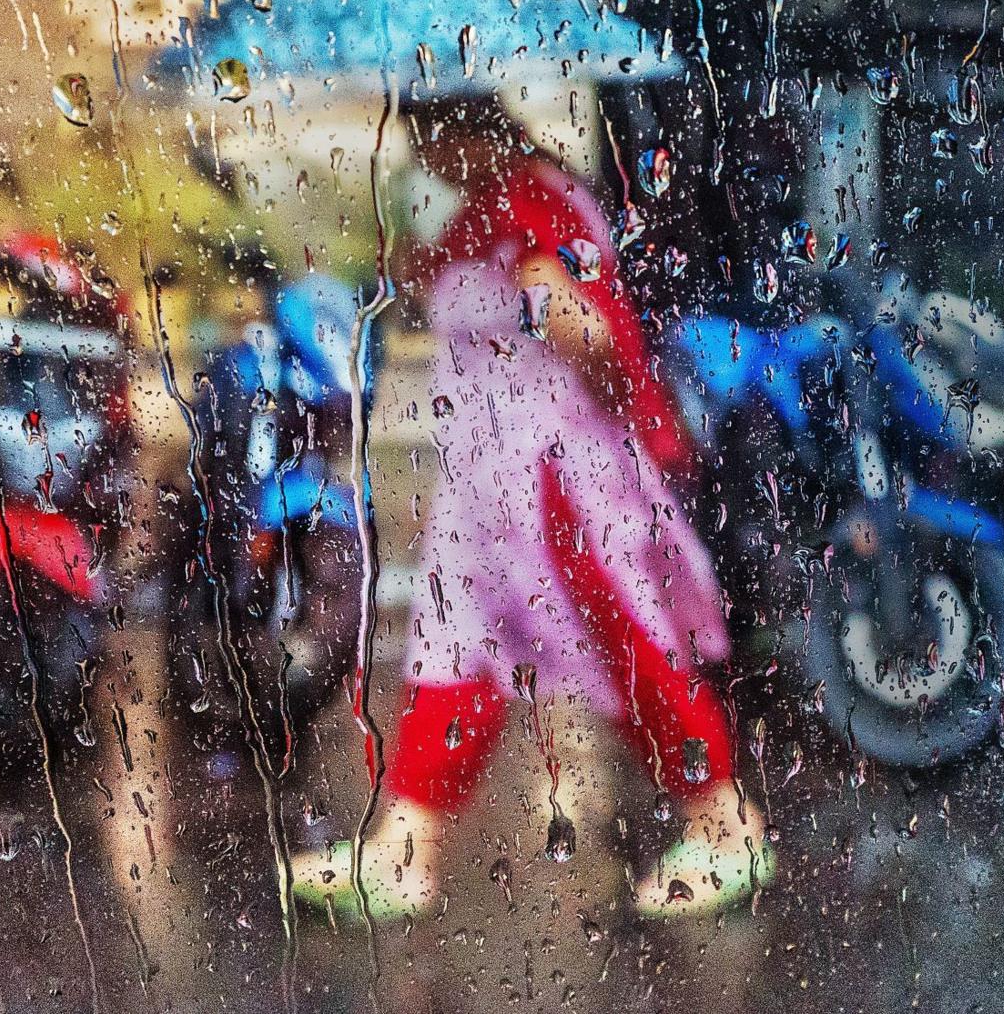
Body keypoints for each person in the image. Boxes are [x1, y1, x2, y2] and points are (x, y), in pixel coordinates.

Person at [289, 93, 771, 921]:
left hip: (555, 480)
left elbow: (604, 343)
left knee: (627, 638)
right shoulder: (485, 210)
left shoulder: (540, 199)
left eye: (431, 138)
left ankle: (723, 823)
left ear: (475, 132)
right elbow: (441, 303)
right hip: (482, 485)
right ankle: (405, 849)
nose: (424, 160)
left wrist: (554, 297)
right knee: (451, 648)